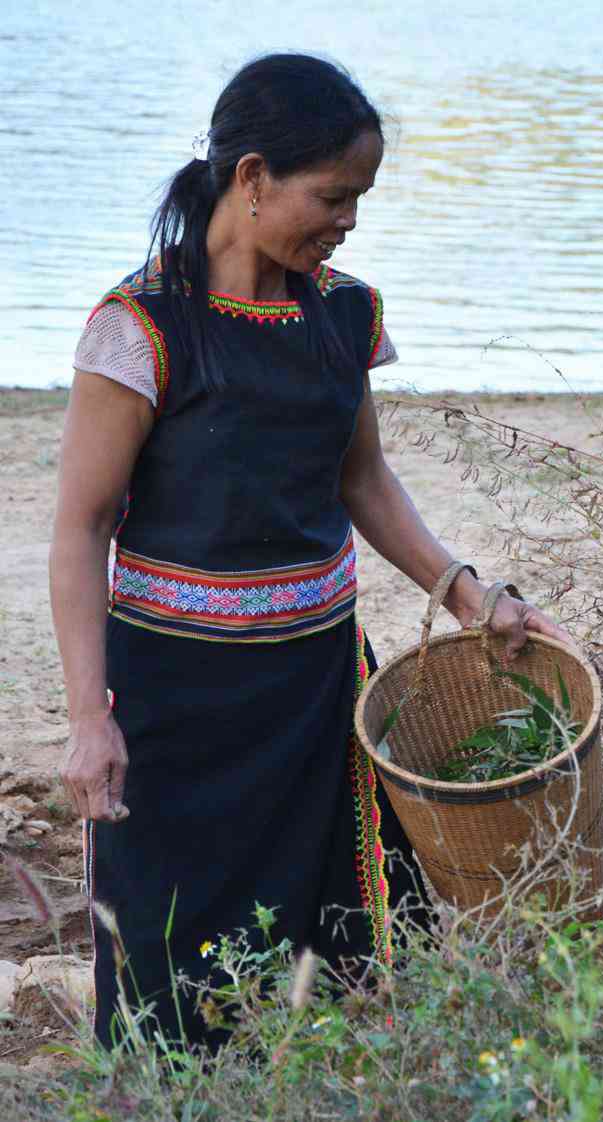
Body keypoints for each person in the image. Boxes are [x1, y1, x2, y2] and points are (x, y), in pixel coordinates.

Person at [49, 53, 573, 1048]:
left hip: (320, 692)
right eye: (334, 196)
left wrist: (468, 595)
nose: (349, 221)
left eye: (361, 197)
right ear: (251, 180)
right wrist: (88, 720)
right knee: (175, 972)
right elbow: (79, 530)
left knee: (342, 951)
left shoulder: (342, 314)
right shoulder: (141, 331)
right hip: (174, 707)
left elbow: (362, 479)